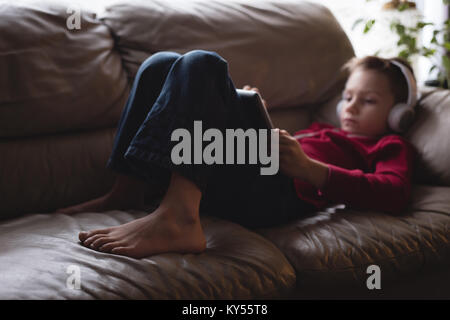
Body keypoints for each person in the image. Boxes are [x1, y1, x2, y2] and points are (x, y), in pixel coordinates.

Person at [53, 51, 416, 259]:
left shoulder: (387, 145)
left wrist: (311, 170)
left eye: (368, 101)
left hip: (277, 195)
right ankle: (128, 189)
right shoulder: (321, 130)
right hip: (244, 174)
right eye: (348, 97)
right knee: (159, 64)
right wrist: (245, 111)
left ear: (398, 113)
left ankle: (179, 217)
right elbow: (261, 153)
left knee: (204, 64)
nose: (351, 107)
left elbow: (394, 191)